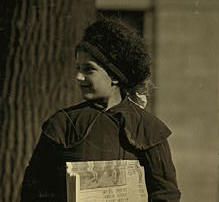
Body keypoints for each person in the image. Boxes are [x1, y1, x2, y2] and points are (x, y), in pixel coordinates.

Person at [21, 18, 181, 202]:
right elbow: (34, 190)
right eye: (78, 68)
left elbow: (166, 195)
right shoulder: (63, 125)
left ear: (114, 76)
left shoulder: (147, 128)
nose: (79, 77)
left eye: (89, 69)